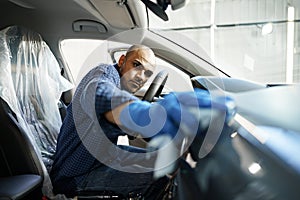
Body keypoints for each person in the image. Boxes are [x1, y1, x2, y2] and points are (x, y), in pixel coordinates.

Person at [50, 44, 233, 198]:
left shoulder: (120, 85)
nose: (140, 76)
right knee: (159, 179)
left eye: (147, 73)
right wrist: (147, 115)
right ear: (122, 61)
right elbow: (101, 96)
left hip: (103, 157)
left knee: (162, 161)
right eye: (136, 65)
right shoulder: (103, 74)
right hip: (74, 174)